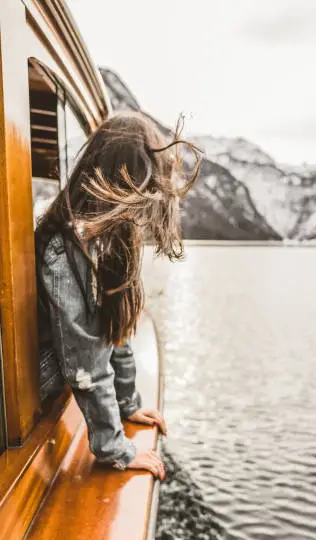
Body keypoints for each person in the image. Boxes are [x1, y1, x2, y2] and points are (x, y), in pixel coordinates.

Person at [35, 111, 201, 476]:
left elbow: (116, 328)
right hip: (39, 380)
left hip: (67, 367)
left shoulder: (107, 238)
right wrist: (115, 449)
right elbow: (84, 360)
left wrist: (128, 404)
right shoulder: (64, 245)